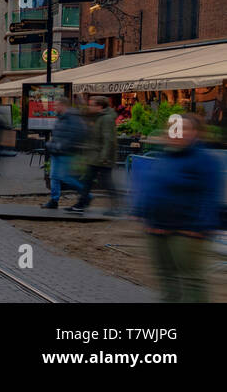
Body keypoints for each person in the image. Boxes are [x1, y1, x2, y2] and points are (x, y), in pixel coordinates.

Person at [133, 114, 222, 302]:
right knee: (166, 276)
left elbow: (210, 196)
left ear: (195, 133)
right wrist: (142, 211)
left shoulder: (204, 160)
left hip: (187, 230)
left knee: (191, 280)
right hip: (157, 226)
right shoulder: (165, 155)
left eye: (183, 128)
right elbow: (152, 186)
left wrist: (199, 227)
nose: (176, 133)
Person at [72, 96, 119, 214]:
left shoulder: (106, 119)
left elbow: (108, 139)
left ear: (100, 107)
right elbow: (84, 114)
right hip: (95, 156)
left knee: (107, 183)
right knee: (88, 180)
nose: (89, 107)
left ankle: (116, 207)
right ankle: (81, 203)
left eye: (92, 105)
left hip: (102, 157)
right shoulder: (97, 117)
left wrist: (104, 157)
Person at [41, 101, 88, 209]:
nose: (55, 107)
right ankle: (54, 200)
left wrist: (61, 146)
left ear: (63, 105)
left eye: (57, 105)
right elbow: (57, 134)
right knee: (54, 177)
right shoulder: (60, 117)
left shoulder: (72, 117)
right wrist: (51, 144)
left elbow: (76, 134)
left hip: (65, 152)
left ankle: (87, 195)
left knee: (66, 178)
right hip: (56, 151)